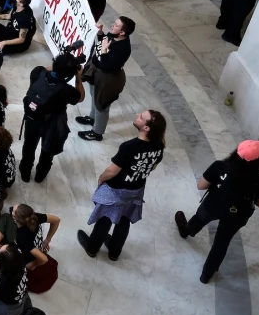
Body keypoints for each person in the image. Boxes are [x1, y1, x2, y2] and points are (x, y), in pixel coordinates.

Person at [175, 139, 259, 283]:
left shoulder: (220, 166)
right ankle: (206, 275)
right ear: (258, 159)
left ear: (236, 152)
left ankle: (186, 231)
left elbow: (201, 185)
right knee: (222, 242)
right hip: (238, 214)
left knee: (199, 219)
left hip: (213, 205)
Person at [77, 109, 167, 260]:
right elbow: (153, 166)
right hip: (136, 189)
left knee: (105, 217)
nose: (137, 115)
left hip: (116, 189)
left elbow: (112, 171)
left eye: (141, 117)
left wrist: (101, 178)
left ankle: (92, 248)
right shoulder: (159, 146)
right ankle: (114, 251)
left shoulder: (129, 147)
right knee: (124, 220)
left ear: (146, 128)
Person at [19, 53, 84, 183]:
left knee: (29, 146)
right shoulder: (67, 90)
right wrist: (78, 77)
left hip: (32, 118)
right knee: (47, 151)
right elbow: (80, 97)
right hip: (51, 124)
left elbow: (47, 69)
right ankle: (40, 176)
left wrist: (60, 63)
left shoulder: (37, 72)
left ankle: (25, 173)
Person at [75, 16, 134, 141]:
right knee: (94, 95)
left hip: (107, 79)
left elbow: (108, 66)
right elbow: (104, 41)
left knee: (101, 105)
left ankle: (97, 132)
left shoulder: (123, 48)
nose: (112, 26)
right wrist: (101, 33)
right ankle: (92, 118)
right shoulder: (113, 35)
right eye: (114, 23)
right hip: (96, 72)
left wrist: (103, 50)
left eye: (116, 25)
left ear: (122, 32)